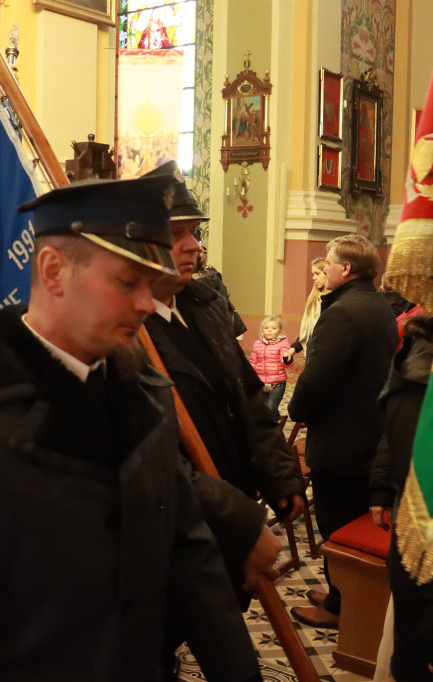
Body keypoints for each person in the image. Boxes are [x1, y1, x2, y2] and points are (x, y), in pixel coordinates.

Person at [0, 175, 262, 682]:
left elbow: (192, 560)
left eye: (151, 284)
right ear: (54, 270)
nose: (148, 303)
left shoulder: (145, 398)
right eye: (128, 282)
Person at [141, 162, 304, 610]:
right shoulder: (127, 327)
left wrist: (280, 476)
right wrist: (238, 521)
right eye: (177, 234)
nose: (194, 245)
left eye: (194, 232)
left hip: (232, 495)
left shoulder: (205, 305)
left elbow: (249, 398)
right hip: (178, 519)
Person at [286, 234, 398, 628]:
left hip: (342, 439)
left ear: (346, 269)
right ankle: (339, 593)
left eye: (330, 262)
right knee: (348, 516)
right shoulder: (378, 305)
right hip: (370, 433)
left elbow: (317, 379)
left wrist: (297, 409)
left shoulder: (343, 312)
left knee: (336, 523)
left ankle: (339, 607)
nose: (325, 267)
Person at [283, 256, 330, 363]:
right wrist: (293, 349)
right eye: (313, 274)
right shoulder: (314, 299)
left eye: (317, 274)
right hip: (312, 352)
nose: (314, 278)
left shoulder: (331, 301)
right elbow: (308, 332)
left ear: (327, 273)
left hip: (325, 355)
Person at [249, 315, 291, 422]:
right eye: (266, 328)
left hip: (277, 384)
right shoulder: (258, 344)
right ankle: (269, 426)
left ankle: (277, 424)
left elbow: (286, 361)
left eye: (273, 328)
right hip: (264, 383)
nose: (269, 331)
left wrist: (287, 359)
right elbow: (253, 362)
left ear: (280, 331)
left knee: (271, 408)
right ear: (262, 330)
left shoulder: (283, 343)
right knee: (264, 408)